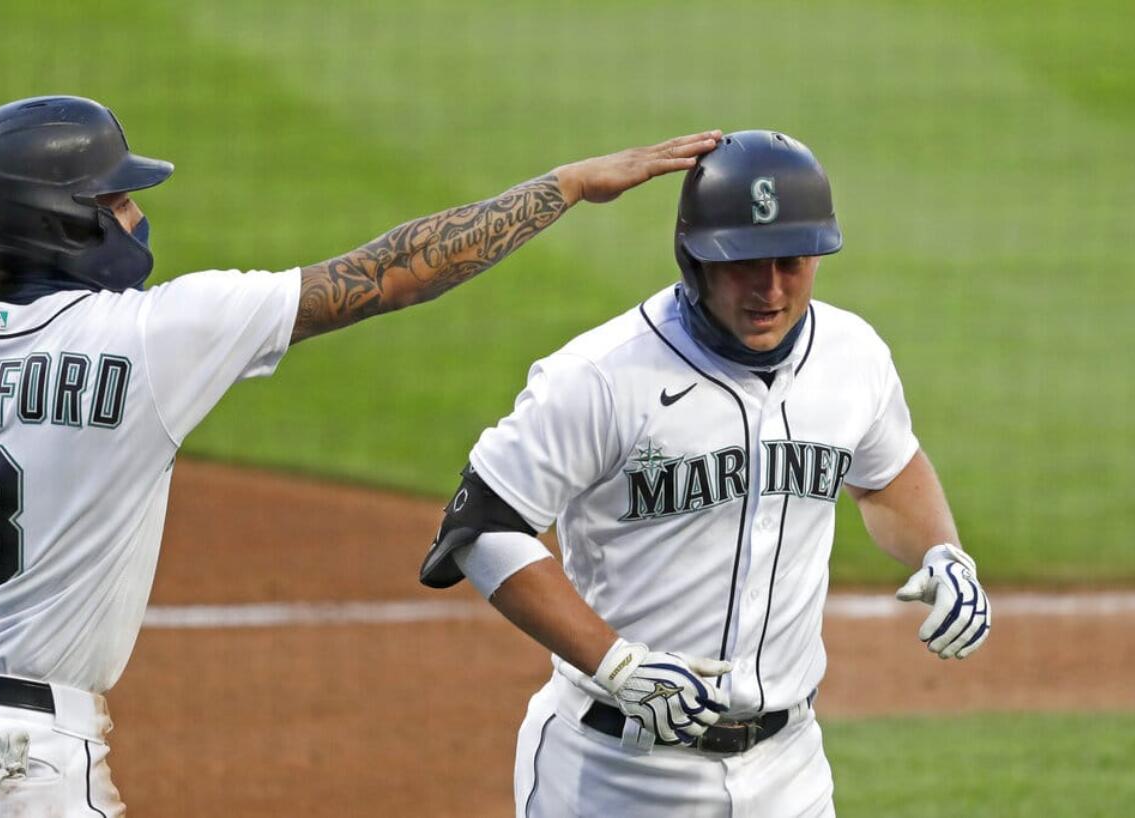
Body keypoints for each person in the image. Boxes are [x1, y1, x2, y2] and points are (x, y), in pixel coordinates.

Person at [0, 94, 720, 816]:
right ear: (64, 224)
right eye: (117, 201)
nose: (138, 216)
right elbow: (389, 272)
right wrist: (566, 186)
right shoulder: (152, 337)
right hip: (25, 763)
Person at [420, 130, 992, 817]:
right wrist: (617, 664)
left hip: (790, 772)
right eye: (744, 263)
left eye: (792, 262)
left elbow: (885, 471)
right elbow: (483, 528)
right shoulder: (604, 376)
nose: (770, 288)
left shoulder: (852, 355)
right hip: (614, 777)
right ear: (693, 256)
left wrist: (942, 550)